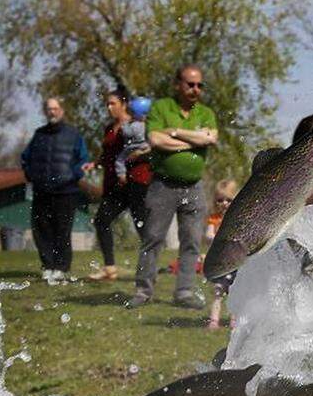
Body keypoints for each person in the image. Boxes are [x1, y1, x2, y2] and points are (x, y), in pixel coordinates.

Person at [127, 65, 219, 309]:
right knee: (153, 237)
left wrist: (175, 133)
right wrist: (194, 140)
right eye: (190, 84)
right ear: (177, 84)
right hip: (163, 185)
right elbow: (155, 140)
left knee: (191, 241)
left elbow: (211, 138)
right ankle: (143, 291)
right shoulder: (161, 107)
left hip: (194, 186)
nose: (195, 89)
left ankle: (185, 292)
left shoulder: (206, 112)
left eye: (200, 85)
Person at [20, 97, 92, 284]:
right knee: (41, 230)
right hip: (41, 190)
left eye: (55, 108)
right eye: (49, 109)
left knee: (62, 230)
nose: (52, 112)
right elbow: (25, 158)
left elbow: (83, 160)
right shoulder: (39, 134)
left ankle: (61, 267)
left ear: (62, 111)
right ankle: (48, 266)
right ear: (45, 111)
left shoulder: (74, 135)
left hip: (66, 191)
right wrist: (31, 174)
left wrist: (73, 175)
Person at [89, 90, 152, 281]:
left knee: (141, 223)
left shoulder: (139, 125)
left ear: (124, 104)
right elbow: (108, 153)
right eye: (107, 104)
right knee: (101, 220)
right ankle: (109, 268)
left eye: (113, 104)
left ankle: (151, 266)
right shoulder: (109, 129)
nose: (109, 108)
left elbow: (153, 148)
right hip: (114, 184)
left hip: (137, 181)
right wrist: (95, 164)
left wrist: (140, 155)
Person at [205, 179, 239, 329]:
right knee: (218, 292)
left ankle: (234, 320)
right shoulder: (214, 219)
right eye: (220, 200)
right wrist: (216, 238)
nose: (224, 203)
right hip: (220, 262)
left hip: (235, 263)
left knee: (236, 292)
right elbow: (208, 236)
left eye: (228, 200)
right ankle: (214, 320)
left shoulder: (237, 219)